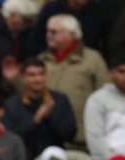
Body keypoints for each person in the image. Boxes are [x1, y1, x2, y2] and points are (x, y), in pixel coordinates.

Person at [37, 14, 110, 148]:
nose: (48, 35)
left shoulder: (92, 59)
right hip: (46, 140)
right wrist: (14, 80)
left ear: (71, 34)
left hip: (82, 138)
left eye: (54, 32)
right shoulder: (41, 60)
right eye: (47, 31)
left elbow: (106, 94)